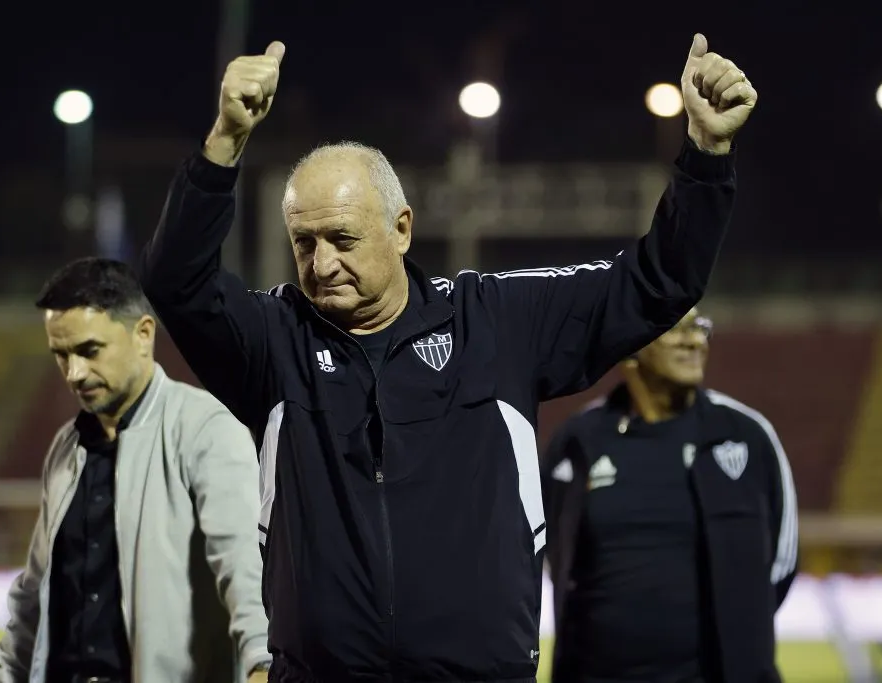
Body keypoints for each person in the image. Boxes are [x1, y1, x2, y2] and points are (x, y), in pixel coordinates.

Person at [138, 32, 756, 683]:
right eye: (304, 241)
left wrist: (707, 154)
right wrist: (226, 140)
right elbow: (175, 280)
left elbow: (658, 282)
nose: (321, 264)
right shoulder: (273, 342)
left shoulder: (499, 320)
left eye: (342, 238)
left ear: (401, 228)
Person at [0, 258, 271, 683]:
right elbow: (33, 595)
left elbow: (245, 567)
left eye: (89, 351)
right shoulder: (66, 447)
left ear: (144, 334)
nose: (74, 373)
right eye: (60, 356)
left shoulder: (205, 429)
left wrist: (261, 662)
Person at [542, 308, 798, 683]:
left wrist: (743, 635)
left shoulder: (746, 434)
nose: (695, 341)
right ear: (629, 345)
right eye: (676, 329)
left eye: (699, 327)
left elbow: (782, 562)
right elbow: (550, 554)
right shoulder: (578, 440)